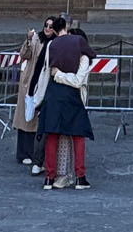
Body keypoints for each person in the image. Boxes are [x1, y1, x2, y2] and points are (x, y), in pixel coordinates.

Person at [37, 17, 93, 190]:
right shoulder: (82, 53)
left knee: (52, 135)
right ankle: (80, 177)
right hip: (71, 96)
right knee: (78, 136)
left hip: (53, 94)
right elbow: (77, 81)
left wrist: (39, 99)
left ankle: (49, 178)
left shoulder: (51, 46)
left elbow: (46, 72)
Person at [13, 20, 51, 175]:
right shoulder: (36, 39)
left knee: (37, 120)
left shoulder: (55, 42)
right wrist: (28, 40)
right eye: (46, 25)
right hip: (29, 82)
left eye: (51, 26)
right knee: (26, 118)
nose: (47, 28)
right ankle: (24, 153)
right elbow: (24, 54)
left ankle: (37, 154)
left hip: (44, 83)